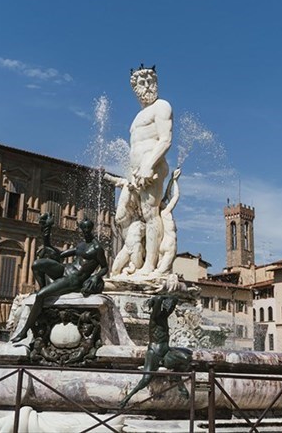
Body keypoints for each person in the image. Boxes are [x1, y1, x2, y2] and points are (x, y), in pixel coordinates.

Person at [11, 218, 108, 345]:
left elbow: (105, 267)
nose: (85, 231)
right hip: (64, 270)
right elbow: (59, 255)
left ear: (91, 228)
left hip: (74, 279)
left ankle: (24, 332)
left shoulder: (97, 248)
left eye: (87, 228)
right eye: (83, 228)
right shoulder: (81, 245)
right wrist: (46, 236)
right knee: (37, 264)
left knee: (40, 296)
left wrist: (96, 276)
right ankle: (44, 289)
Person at [126, 65, 173, 275]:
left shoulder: (162, 106)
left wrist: (148, 165)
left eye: (150, 82)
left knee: (150, 214)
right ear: (135, 88)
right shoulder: (136, 117)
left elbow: (165, 140)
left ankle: (150, 265)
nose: (147, 86)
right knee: (125, 217)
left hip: (152, 166)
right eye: (142, 83)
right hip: (135, 171)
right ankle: (135, 260)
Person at [119, 295, 192, 407]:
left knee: (187, 358)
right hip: (154, 353)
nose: (169, 309)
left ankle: (176, 377)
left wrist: (168, 298)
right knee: (147, 378)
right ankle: (127, 398)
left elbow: (175, 299)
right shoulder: (154, 319)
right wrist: (159, 299)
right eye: (167, 307)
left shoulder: (164, 318)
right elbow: (157, 301)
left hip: (166, 351)